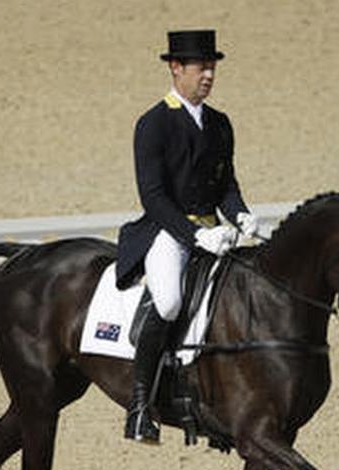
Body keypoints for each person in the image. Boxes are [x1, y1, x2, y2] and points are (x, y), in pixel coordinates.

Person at [115, 29, 262, 445]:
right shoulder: (153, 123)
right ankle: (140, 408)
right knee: (170, 300)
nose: (209, 75)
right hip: (167, 232)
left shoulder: (219, 123)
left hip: (212, 231)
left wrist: (241, 215)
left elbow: (226, 186)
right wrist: (196, 236)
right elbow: (154, 197)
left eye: (212, 67)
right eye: (201, 67)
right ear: (176, 68)